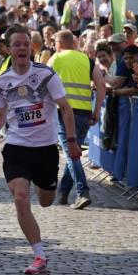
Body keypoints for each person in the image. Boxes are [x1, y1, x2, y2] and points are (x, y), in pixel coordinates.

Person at [0, 25, 81, 275]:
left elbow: (65, 108)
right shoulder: (1, 83)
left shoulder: (46, 75)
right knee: (21, 197)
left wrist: (73, 140)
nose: (21, 48)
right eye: (16, 44)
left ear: (30, 48)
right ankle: (39, 254)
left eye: (25, 44)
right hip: (17, 148)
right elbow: (0, 116)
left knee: (45, 201)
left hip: (45, 149)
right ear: (9, 49)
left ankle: (41, 183)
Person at [49, 29, 105, 209]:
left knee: (70, 153)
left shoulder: (55, 59)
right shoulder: (87, 60)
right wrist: (97, 111)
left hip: (63, 112)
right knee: (74, 153)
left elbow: (42, 85)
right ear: (73, 43)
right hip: (84, 112)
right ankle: (64, 192)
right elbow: (102, 86)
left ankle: (82, 191)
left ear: (58, 44)